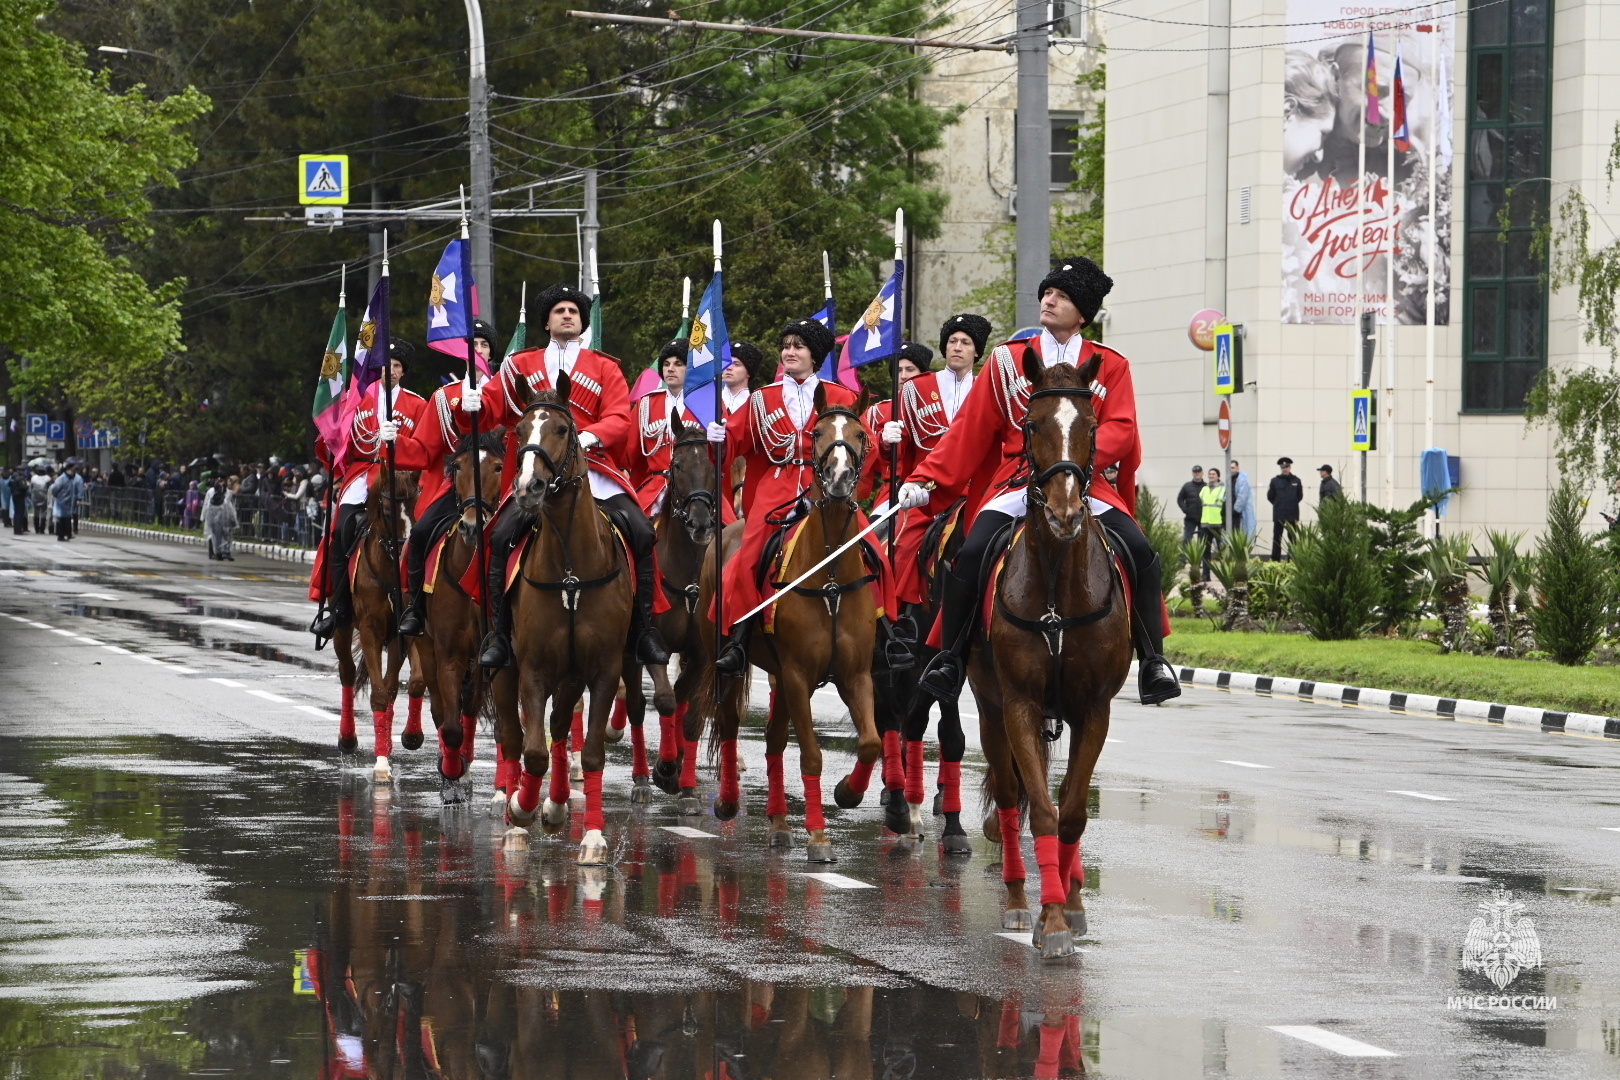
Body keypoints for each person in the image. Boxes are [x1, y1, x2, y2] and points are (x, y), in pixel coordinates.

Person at [897, 256, 1181, 706]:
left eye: (1062, 296)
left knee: (1142, 552)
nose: (1049, 300)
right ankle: (950, 657)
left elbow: (1122, 428)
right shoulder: (1007, 362)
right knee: (970, 554)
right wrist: (925, 480)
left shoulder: (1110, 365)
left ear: (1083, 312)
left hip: (1086, 483)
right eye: (1047, 292)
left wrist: (1074, 461)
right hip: (1017, 481)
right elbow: (969, 430)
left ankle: (1152, 660)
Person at [472, 284, 670, 669]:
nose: (567, 315)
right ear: (546, 322)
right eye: (559, 310)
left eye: (574, 312)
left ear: (581, 323)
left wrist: (589, 436)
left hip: (593, 471)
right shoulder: (518, 366)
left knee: (643, 532)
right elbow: (488, 412)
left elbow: (619, 417)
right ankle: (498, 633)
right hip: (536, 473)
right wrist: (471, 404)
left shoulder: (604, 367)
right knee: (497, 535)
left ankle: (643, 630)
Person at [706, 318, 865, 676]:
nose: (790, 352)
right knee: (746, 560)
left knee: (872, 549)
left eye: (799, 346)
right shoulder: (762, 398)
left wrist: (885, 439)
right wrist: (719, 438)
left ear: (816, 355)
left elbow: (861, 451)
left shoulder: (844, 397)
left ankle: (884, 632)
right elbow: (734, 446)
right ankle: (740, 639)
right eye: (787, 346)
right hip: (775, 492)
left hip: (829, 490)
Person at [309, 339, 428, 638]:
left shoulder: (418, 404)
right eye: (387, 364)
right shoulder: (356, 398)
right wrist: (330, 437)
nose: (392, 370)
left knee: (424, 532)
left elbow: (427, 448)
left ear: (404, 371)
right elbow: (336, 440)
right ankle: (339, 606)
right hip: (363, 474)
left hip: (403, 477)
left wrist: (402, 445)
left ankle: (419, 603)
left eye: (398, 365)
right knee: (342, 529)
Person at [388, 321, 497, 638]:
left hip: (498, 487)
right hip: (454, 489)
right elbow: (423, 450)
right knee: (420, 535)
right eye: (472, 344)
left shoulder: (505, 393)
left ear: (491, 352)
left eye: (484, 345)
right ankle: (416, 609)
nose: (477, 350)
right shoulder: (441, 398)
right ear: (461, 351)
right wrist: (393, 441)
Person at [887, 313, 993, 609]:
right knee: (902, 549)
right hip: (927, 494)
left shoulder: (988, 387)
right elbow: (900, 454)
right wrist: (887, 441)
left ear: (977, 351)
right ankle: (900, 625)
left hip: (975, 493)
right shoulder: (915, 389)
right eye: (952, 341)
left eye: (965, 342)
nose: (957, 347)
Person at [859, 341, 931, 508]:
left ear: (923, 373)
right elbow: (866, 459)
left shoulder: (939, 405)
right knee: (874, 532)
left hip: (933, 484)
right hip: (894, 489)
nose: (903, 375)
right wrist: (881, 441)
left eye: (910, 369)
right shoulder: (878, 411)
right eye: (898, 370)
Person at [1266, 457, 1303, 560]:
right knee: (1277, 538)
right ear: (1280, 468)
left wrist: (1291, 504)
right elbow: (1270, 496)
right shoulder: (1275, 481)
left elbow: (1299, 496)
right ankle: (1275, 560)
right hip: (1279, 513)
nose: (1285, 469)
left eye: (1286, 466)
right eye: (1282, 467)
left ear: (1290, 467)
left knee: (1292, 538)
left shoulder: (1296, 480)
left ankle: (1292, 560)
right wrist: (1278, 504)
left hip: (1292, 513)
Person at [1199, 466, 1225, 581]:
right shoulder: (1204, 489)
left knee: (1222, 551)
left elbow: (1225, 507)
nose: (1211, 476)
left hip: (1217, 524)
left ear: (1218, 476)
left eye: (1213, 474)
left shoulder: (1222, 489)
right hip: (1205, 523)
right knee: (1205, 551)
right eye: (1210, 474)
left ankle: (1225, 574)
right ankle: (1206, 575)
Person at [202, 480, 237, 560]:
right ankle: (218, 553)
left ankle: (222, 553)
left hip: (220, 521)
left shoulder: (226, 495)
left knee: (221, 537)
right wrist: (234, 521)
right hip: (220, 521)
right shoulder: (219, 498)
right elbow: (231, 510)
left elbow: (207, 509)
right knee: (220, 537)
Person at [49, 464, 82, 541]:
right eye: (72, 471)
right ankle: (60, 535)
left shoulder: (71, 479)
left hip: (69, 502)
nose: (73, 473)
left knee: (67, 519)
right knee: (61, 519)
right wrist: (59, 497)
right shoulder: (62, 479)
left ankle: (66, 534)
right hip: (61, 502)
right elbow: (54, 490)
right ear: (67, 470)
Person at [1177, 465, 1205, 544]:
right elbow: (1180, 499)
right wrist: (1186, 510)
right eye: (1195, 472)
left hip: (1203, 518)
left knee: (1202, 541)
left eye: (1198, 472)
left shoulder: (1206, 486)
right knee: (1187, 539)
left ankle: (1203, 557)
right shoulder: (1187, 486)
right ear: (1192, 473)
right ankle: (1184, 556)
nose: (1197, 474)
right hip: (1190, 518)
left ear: (1202, 473)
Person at [1228, 459, 1254, 539]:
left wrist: (1235, 510)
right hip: (1229, 512)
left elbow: (1242, 497)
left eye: (1233, 467)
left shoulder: (1242, 480)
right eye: (1229, 468)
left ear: (1237, 468)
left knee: (1239, 533)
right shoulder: (1228, 480)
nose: (1231, 470)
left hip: (1238, 512)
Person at [30, 466, 51, 534]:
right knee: (43, 513)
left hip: (35, 497)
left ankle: (36, 529)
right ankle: (42, 529)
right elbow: (49, 488)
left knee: (36, 513)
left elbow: (32, 487)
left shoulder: (33, 478)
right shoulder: (47, 478)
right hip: (44, 497)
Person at [7, 467, 28, 535]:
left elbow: (9, 484)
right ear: (21, 471)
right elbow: (23, 487)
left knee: (16, 513)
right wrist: (27, 486)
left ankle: (16, 529)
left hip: (14, 495)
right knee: (20, 513)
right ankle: (19, 529)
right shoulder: (20, 478)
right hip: (20, 496)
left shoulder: (13, 477)